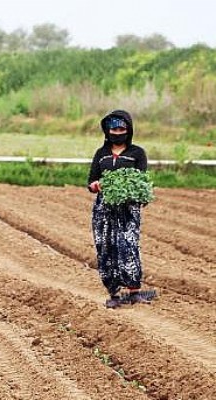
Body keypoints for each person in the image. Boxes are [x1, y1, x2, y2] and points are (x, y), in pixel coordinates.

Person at [87, 109, 149, 308]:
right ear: (107, 131)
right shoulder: (101, 154)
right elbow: (91, 181)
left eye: (122, 128)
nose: (117, 132)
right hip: (104, 209)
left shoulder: (137, 153)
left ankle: (133, 291)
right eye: (113, 129)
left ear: (128, 130)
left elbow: (141, 180)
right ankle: (113, 294)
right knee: (106, 248)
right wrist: (96, 186)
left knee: (128, 245)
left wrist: (135, 194)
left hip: (128, 209)